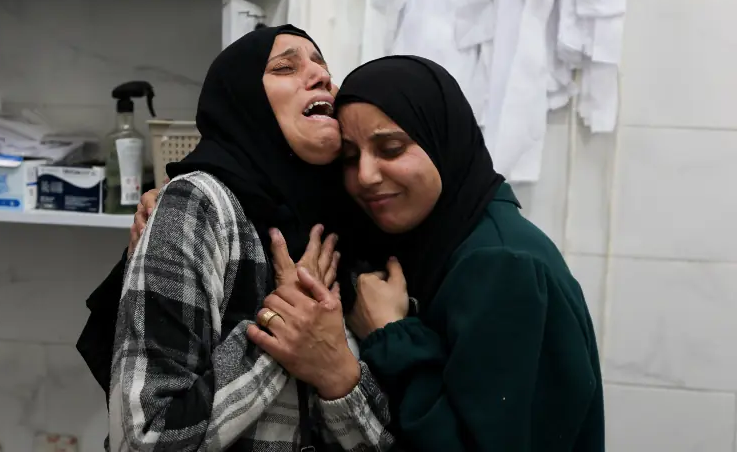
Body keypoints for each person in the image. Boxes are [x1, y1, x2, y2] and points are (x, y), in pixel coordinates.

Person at [253, 55, 604, 451]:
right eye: (351, 157)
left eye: (391, 148)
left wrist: (392, 337)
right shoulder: (420, 244)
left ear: (443, 140)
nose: (366, 176)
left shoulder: (503, 266)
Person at [86, 24, 395, 451]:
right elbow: (144, 439)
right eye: (285, 67)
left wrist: (338, 375)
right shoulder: (199, 206)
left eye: (322, 64)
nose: (321, 75)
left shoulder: (355, 219)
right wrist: (278, 333)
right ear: (244, 102)